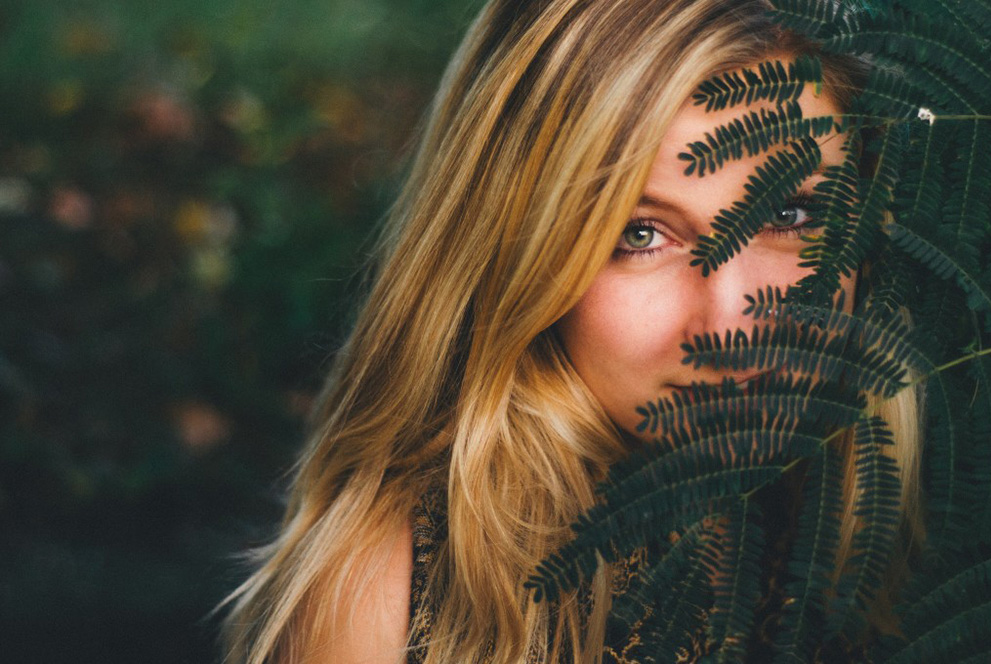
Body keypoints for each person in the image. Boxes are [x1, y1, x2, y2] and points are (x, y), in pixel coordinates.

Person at [222, 0, 923, 661]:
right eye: (639, 233)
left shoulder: (920, 541)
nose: (734, 320)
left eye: (792, 217)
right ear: (520, 250)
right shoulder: (392, 601)